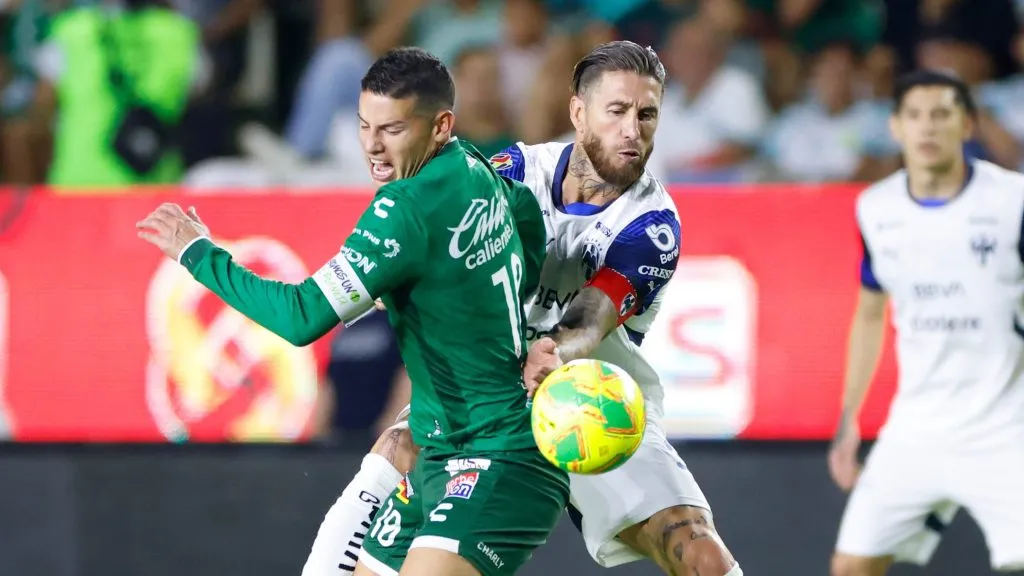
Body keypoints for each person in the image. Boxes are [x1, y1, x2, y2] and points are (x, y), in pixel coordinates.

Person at [299, 41, 743, 576]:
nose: (633, 130)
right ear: (578, 113)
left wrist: (551, 350)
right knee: (396, 446)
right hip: (486, 402)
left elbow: (591, 316)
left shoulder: (652, 225)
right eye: (617, 111)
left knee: (699, 553)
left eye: (647, 115)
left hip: (592, 403)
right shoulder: (512, 169)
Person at [137, 46, 566, 576]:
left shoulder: (403, 209)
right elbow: (527, 220)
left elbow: (300, 318)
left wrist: (198, 254)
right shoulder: (473, 163)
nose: (373, 147)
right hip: (437, 450)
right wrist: (495, 319)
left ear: (439, 126)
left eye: (392, 130)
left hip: (499, 454)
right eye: (365, 126)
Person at [829, 69, 1024, 576]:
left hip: (1006, 428)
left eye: (942, 114)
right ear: (896, 127)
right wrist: (850, 420)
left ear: (968, 125)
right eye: (915, 116)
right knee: (850, 567)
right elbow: (870, 313)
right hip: (915, 429)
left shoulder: (1013, 201)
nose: (927, 127)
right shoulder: (875, 208)